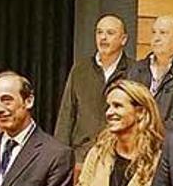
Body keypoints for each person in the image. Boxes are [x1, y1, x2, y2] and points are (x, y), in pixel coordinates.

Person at [55, 13, 132, 163]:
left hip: (118, 157)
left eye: (110, 33)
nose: (103, 38)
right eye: (99, 32)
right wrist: (60, 155)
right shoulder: (80, 70)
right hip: (81, 156)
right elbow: (67, 114)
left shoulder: (134, 71)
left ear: (123, 39)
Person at [128, 15, 173, 130]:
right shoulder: (137, 69)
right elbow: (126, 105)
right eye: (154, 32)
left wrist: (153, 132)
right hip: (135, 139)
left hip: (170, 142)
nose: (156, 38)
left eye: (163, 33)